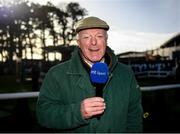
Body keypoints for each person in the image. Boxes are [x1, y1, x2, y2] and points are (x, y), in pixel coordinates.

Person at [36, 16, 143, 133]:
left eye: (99, 36)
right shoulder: (56, 74)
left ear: (106, 40)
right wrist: (78, 112)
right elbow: (43, 115)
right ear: (78, 43)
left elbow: (134, 116)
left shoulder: (126, 73)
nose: (93, 42)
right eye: (86, 37)